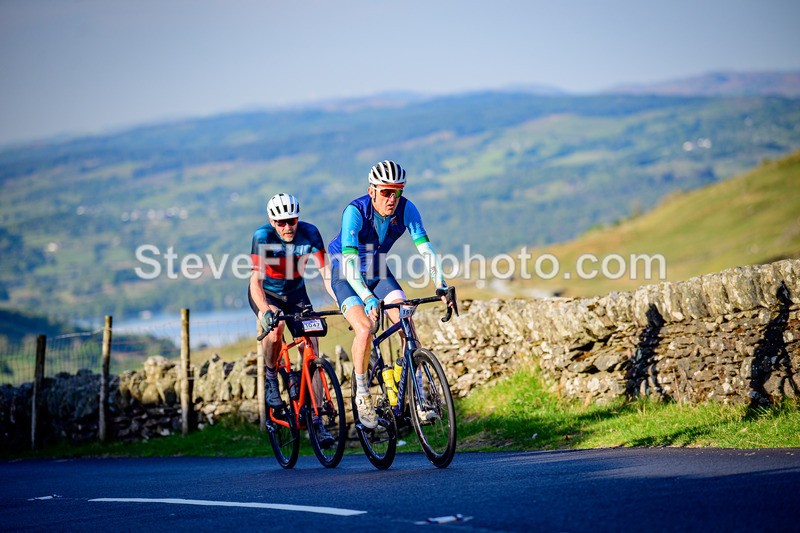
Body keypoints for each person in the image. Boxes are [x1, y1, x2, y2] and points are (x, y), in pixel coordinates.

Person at [328, 160, 449, 428]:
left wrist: (440, 283)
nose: (392, 198)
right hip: (345, 274)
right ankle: (362, 395)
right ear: (372, 190)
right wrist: (368, 297)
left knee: (406, 318)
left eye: (398, 191)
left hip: (377, 270)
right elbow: (349, 263)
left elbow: (426, 249)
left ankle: (418, 396)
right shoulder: (355, 211)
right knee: (364, 329)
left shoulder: (407, 209)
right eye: (386, 192)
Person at [248, 192, 334, 446]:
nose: (287, 226)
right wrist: (265, 311)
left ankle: (317, 421)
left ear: (298, 218)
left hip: (296, 293)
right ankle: (272, 375)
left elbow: (326, 273)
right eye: (281, 222)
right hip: (268, 294)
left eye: (292, 220)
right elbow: (256, 281)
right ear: (272, 221)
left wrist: (343, 302)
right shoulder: (262, 236)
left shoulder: (310, 233)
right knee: (277, 329)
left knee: (313, 345)